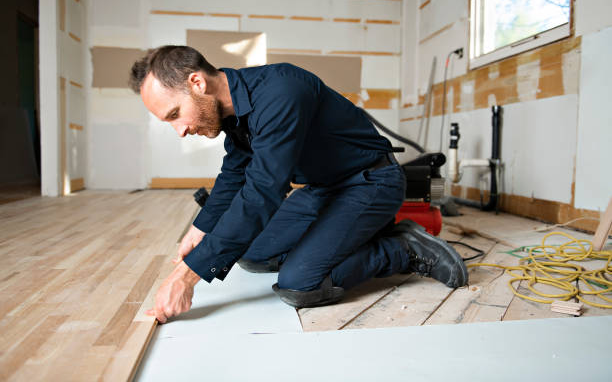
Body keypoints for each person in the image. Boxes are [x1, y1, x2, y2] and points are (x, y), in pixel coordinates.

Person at [129, 45, 468, 324]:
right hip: (324, 189)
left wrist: (187, 276)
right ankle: (341, 240)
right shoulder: (233, 110)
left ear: (197, 83)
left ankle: (402, 249)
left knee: (300, 285)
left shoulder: (280, 92)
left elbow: (262, 192)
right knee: (250, 253)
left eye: (175, 114)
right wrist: (201, 229)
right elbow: (236, 174)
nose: (180, 130)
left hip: (370, 182)